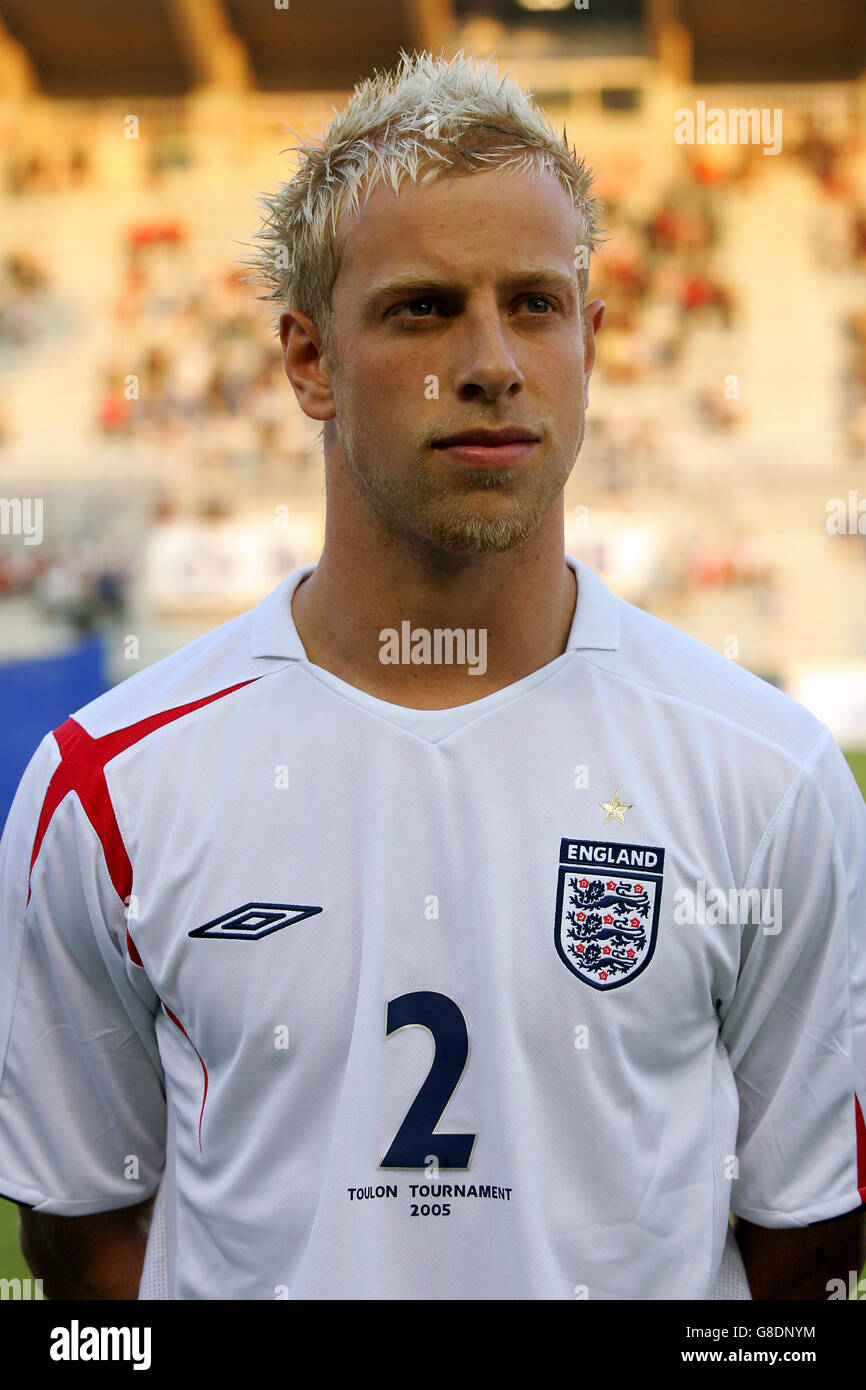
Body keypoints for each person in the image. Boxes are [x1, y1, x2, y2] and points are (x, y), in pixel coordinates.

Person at [1, 50, 864, 1301]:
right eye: (420, 308)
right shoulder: (104, 789)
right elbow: (85, 1238)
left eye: (533, 303)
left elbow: (803, 1243)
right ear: (307, 360)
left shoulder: (770, 777)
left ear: (592, 341)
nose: (491, 361)